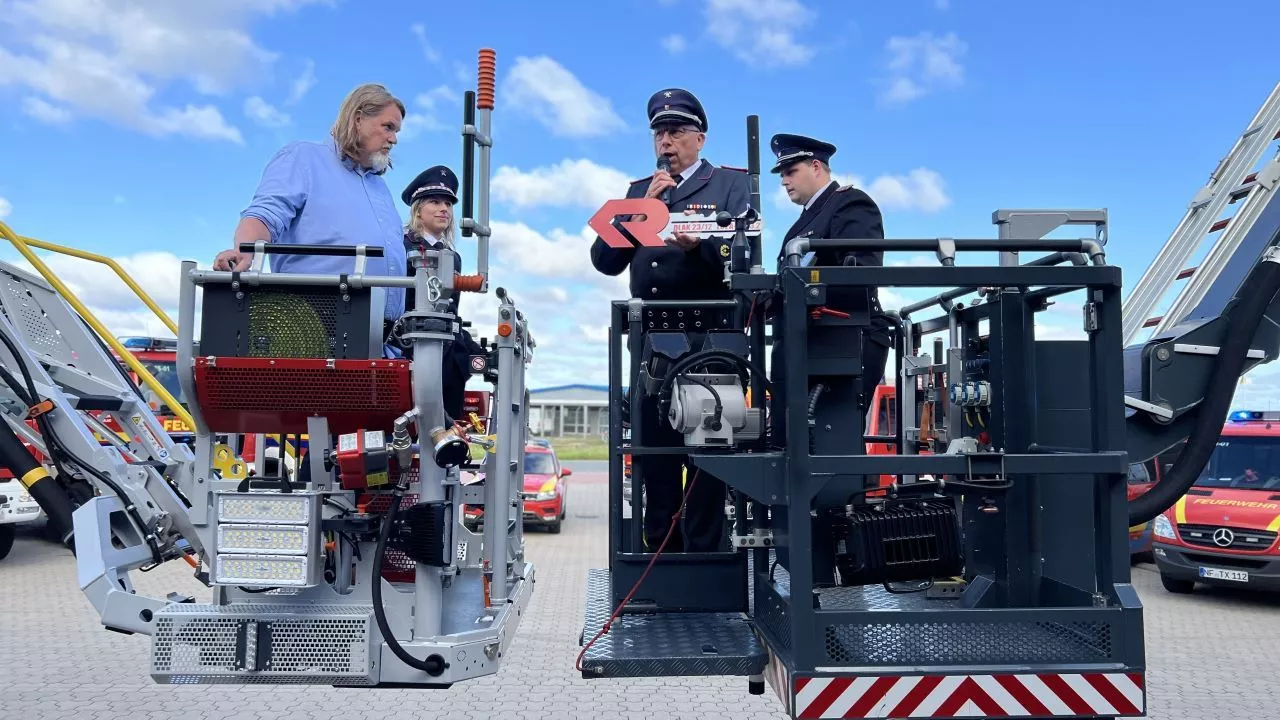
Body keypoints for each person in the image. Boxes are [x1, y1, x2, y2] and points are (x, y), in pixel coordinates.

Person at [590, 88, 750, 554]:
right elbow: (604, 261)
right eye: (660, 133)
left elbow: (744, 254)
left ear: (699, 138)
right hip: (652, 337)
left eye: (676, 132)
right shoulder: (639, 190)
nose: (666, 142)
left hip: (709, 333)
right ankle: (660, 551)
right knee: (655, 449)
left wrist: (698, 246)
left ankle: (703, 553)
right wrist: (643, 207)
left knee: (708, 447)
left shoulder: (729, 185)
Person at [213, 83, 408, 327]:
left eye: (397, 131)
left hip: (383, 337)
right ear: (358, 119)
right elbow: (265, 214)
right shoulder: (303, 158)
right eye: (388, 127)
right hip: (315, 325)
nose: (394, 139)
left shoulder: (379, 186)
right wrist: (244, 252)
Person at [767, 133, 889, 440]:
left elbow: (862, 271)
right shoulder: (807, 218)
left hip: (844, 340)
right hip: (808, 342)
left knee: (831, 442)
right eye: (782, 174)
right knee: (792, 440)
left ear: (816, 166)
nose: (784, 181)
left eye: (791, 171)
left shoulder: (850, 203)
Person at [400, 164, 485, 421]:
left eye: (448, 204)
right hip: (410, 342)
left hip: (447, 345)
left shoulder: (453, 257)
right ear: (418, 210)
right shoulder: (401, 247)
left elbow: (451, 310)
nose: (443, 209)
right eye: (435, 202)